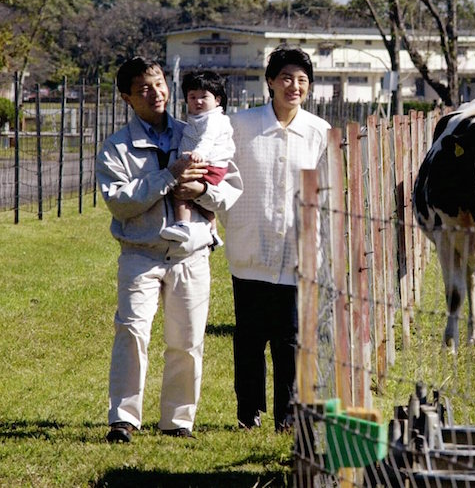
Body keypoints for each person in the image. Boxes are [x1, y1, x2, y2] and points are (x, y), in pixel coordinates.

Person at [96, 57, 243, 443]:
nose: (155, 92)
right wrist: (168, 176)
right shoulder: (117, 148)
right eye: (143, 88)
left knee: (188, 339)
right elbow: (121, 202)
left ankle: (179, 421)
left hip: (190, 254)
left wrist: (204, 192)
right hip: (140, 254)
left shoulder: (197, 130)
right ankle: (123, 419)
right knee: (132, 332)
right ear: (127, 97)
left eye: (159, 83)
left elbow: (230, 188)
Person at [222, 45, 330, 432]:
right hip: (249, 245)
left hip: (296, 251)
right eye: (286, 77)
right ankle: (247, 412)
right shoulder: (241, 125)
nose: (294, 86)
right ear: (269, 81)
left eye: (302, 80)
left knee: (290, 339)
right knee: (249, 337)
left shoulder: (319, 132)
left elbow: (327, 192)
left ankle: (287, 414)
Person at [160, 70, 235, 248]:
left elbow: (207, 139)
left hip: (208, 165)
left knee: (181, 189)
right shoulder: (198, 118)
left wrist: (198, 153)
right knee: (201, 202)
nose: (197, 101)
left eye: (204, 96)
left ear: (217, 100)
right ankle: (213, 232)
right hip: (207, 164)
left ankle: (182, 224)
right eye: (192, 97)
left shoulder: (214, 120)